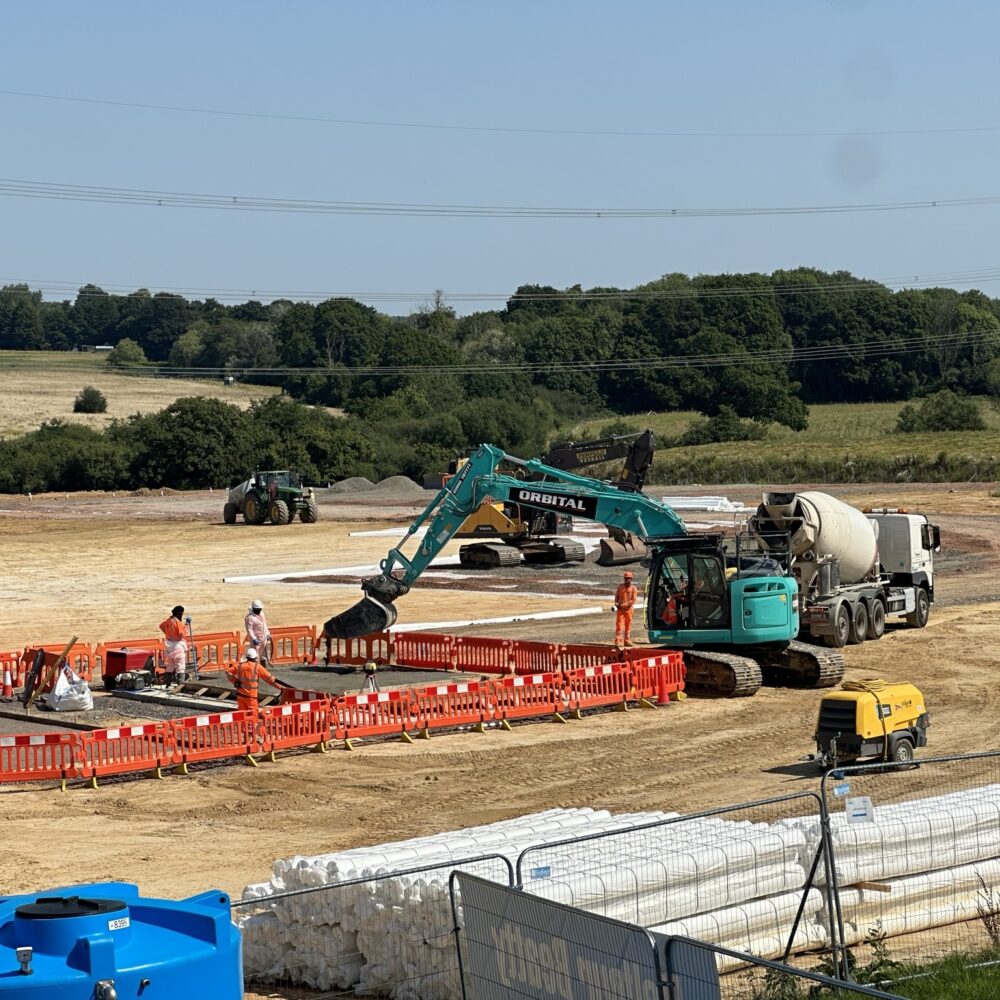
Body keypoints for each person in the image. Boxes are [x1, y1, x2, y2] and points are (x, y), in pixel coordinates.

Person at [226, 647, 281, 712]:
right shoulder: (257, 667)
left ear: (247, 657)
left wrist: (235, 681)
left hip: (240, 696)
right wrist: (281, 688)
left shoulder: (240, 666)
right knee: (253, 716)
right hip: (251, 698)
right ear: (255, 657)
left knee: (242, 715)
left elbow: (227, 672)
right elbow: (270, 679)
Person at [158, 605, 188, 685]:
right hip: (177, 646)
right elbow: (181, 633)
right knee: (180, 666)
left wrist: (168, 634)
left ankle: (167, 684)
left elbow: (161, 626)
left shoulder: (169, 620)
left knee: (170, 666)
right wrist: (186, 625)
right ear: (180, 614)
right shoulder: (177, 622)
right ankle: (180, 685)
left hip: (169, 645)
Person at [613, 570, 639, 647]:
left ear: (631, 579)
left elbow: (633, 600)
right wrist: (616, 603)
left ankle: (627, 640)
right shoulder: (620, 587)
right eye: (626, 578)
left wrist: (624, 605)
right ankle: (618, 641)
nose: (627, 579)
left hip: (629, 610)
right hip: (620, 609)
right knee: (619, 625)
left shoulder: (634, 588)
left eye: (629, 578)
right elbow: (617, 596)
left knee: (628, 625)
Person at [244, 599, 272, 664]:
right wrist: (254, 638)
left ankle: (263, 670)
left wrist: (267, 633)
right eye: (257, 609)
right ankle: (255, 671)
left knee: (263, 655)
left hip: (263, 637)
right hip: (256, 640)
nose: (259, 610)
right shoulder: (250, 617)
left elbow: (264, 624)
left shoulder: (262, 614)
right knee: (255, 656)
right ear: (253, 608)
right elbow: (249, 629)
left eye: (260, 609)